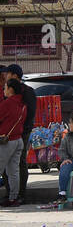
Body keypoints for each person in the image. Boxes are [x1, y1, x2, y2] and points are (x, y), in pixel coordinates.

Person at [4, 65, 36, 204]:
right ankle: (11, 193)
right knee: (9, 165)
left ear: (15, 75)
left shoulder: (26, 91)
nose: (6, 76)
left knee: (19, 162)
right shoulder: (7, 93)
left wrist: (21, 127)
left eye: (8, 74)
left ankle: (19, 194)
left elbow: (30, 113)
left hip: (21, 132)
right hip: (10, 133)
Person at [0, 78, 26, 208]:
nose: (3, 90)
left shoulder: (8, 103)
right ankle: (13, 198)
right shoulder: (22, 104)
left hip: (6, 141)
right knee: (13, 171)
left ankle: (12, 197)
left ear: (10, 89)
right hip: (18, 140)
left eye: (5, 87)